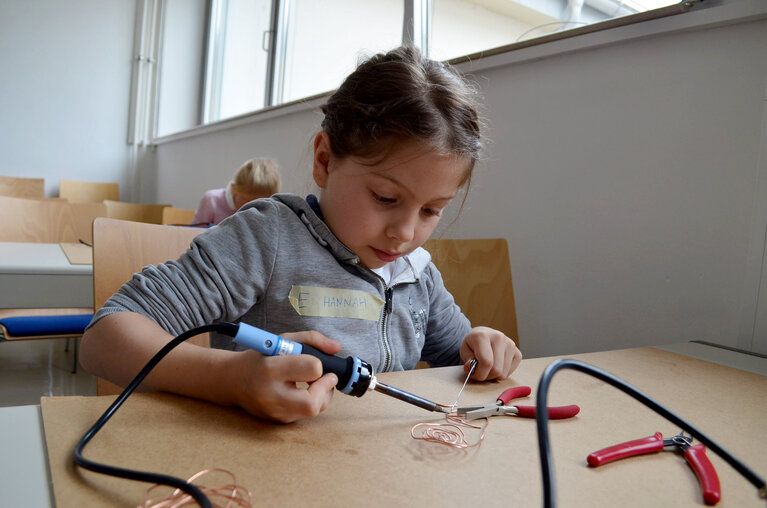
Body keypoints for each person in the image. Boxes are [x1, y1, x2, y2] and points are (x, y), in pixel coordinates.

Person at [80, 46, 522, 423]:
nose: (405, 233)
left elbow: (461, 361)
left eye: (431, 210)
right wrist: (230, 381)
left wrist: (481, 347)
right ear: (326, 161)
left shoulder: (415, 274)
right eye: (386, 198)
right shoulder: (266, 239)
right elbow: (104, 339)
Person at [192, 158, 281, 225]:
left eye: (260, 204)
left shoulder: (270, 210)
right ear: (233, 189)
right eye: (246, 201)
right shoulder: (212, 200)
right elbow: (194, 235)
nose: (251, 208)